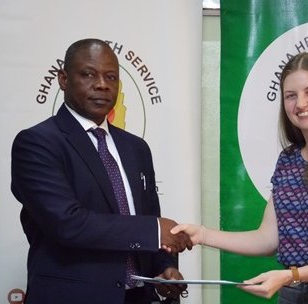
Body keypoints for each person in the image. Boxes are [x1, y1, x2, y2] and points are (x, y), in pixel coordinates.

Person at [172, 51, 308, 303]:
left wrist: (291, 275)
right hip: (293, 292)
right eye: (291, 96)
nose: (300, 103)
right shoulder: (287, 160)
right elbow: (268, 238)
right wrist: (202, 235)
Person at [11, 38, 192, 304]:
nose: (102, 85)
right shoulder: (37, 143)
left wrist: (163, 268)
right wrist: (153, 231)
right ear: (63, 79)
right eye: (88, 74)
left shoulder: (136, 147)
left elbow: (149, 216)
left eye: (111, 77)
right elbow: (67, 224)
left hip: (138, 297)